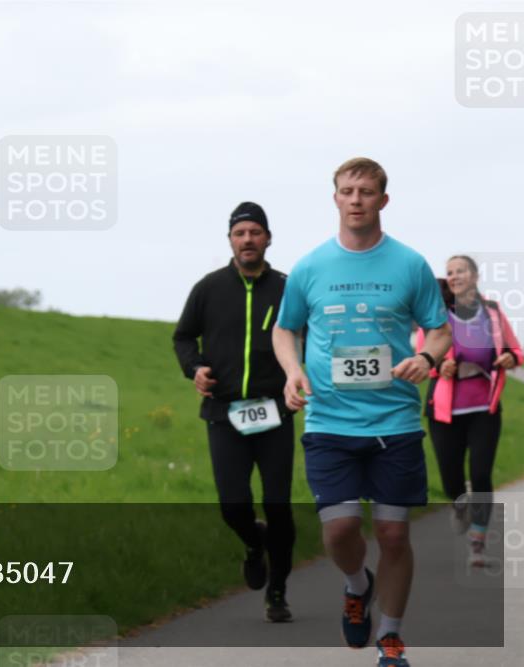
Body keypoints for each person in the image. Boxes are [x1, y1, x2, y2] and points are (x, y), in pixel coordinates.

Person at [272, 157, 451, 667]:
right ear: (335, 199)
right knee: (341, 529)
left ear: (382, 201)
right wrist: (291, 370)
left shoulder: (409, 264)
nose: (356, 200)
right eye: (347, 191)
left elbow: (438, 328)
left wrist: (426, 357)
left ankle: (391, 638)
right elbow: (285, 328)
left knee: (394, 533)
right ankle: (357, 585)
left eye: (366, 192)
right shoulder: (310, 266)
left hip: (394, 421)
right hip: (330, 419)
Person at [174, 202, 296, 623]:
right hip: (224, 414)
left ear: (267, 238)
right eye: (240, 233)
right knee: (232, 504)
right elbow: (183, 337)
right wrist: (195, 368)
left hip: (275, 412)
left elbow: (310, 337)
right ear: (230, 240)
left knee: (278, 504)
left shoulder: (287, 288)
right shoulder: (208, 288)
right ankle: (252, 542)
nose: (248, 240)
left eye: (255, 232)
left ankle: (277, 591)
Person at [419, 256, 522, 566]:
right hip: (445, 409)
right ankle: (458, 503)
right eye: (449, 272)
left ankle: (477, 542)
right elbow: (422, 356)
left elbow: (515, 349)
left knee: (480, 473)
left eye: (460, 270)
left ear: (474, 276)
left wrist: (510, 358)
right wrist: (439, 365)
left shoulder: (491, 313)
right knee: (452, 478)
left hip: (483, 406)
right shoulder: (437, 315)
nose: (454, 276)